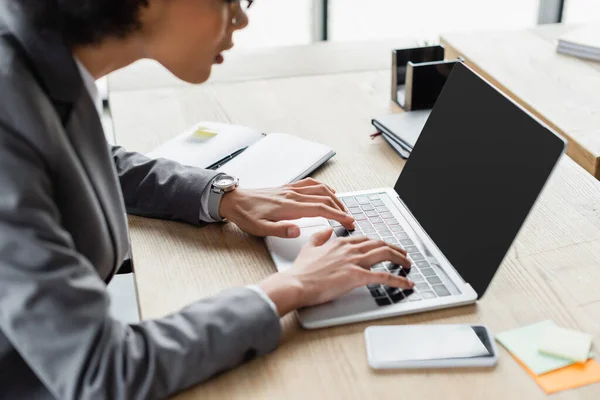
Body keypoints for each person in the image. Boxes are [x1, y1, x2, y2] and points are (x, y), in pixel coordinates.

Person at [0, 0, 414, 398]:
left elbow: (67, 155)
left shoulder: (41, 56)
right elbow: (104, 371)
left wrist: (221, 196)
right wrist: (293, 286)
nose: (241, 19)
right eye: (228, 0)